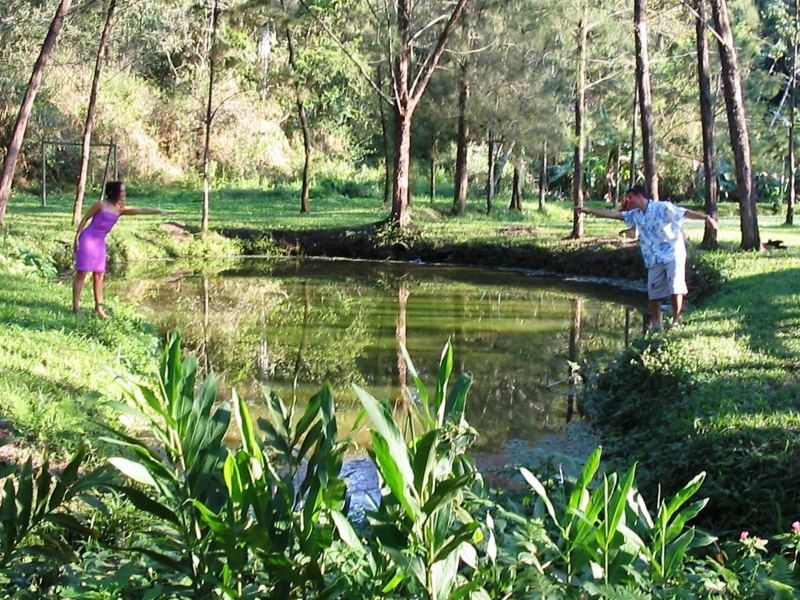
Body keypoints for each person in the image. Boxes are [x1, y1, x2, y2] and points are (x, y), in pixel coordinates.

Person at [576, 185, 719, 333]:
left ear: (639, 196)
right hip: (653, 257)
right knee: (654, 291)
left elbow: (684, 212)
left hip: (673, 252)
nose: (628, 200)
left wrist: (706, 218)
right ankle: (656, 323)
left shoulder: (663, 207)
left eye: (630, 197)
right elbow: (614, 215)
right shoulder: (635, 214)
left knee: (676, 287)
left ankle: (676, 320)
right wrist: (589, 211)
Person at [73, 181, 169, 318]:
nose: (124, 193)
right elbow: (85, 218)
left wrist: (159, 211)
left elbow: (140, 211)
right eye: (122, 191)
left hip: (100, 243)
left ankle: (99, 308)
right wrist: (77, 237)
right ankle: (76, 307)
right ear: (113, 192)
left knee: (99, 275)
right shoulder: (101, 205)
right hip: (87, 240)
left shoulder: (120, 209)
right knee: (81, 273)